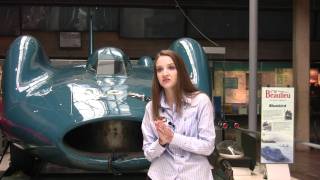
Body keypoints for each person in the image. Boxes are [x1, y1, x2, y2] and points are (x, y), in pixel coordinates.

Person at [141, 50, 216, 180]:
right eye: (159, 70)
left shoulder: (201, 101)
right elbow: (148, 154)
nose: (165, 73)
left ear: (180, 71)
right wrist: (161, 142)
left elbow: (208, 147)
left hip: (195, 175)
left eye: (171, 67)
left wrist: (173, 138)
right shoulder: (151, 108)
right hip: (160, 175)